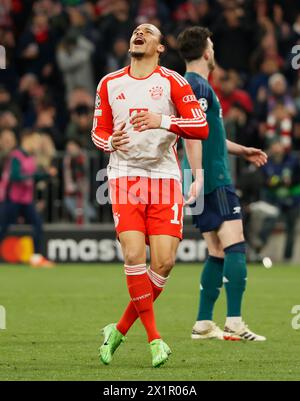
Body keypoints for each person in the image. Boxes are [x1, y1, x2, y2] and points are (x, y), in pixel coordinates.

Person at [91, 23, 209, 367]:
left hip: (163, 174)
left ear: (161, 47)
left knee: (164, 262)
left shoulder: (173, 82)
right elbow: (98, 130)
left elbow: (199, 126)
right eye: (135, 31)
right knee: (133, 255)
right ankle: (155, 340)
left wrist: (162, 120)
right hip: (125, 174)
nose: (138, 33)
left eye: (148, 31)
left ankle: (118, 329)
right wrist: (109, 141)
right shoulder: (110, 83)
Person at [177, 26, 268, 341]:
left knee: (216, 249)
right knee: (235, 243)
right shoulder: (198, 87)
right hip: (210, 175)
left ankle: (203, 323)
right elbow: (192, 133)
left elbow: (205, 132)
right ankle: (234, 321)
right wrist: (203, 174)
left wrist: (241, 150)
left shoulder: (188, 86)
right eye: (212, 46)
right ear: (205, 52)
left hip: (196, 175)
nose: (213, 51)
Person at [0, 130, 56, 268]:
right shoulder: (16, 156)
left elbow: (33, 177)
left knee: (37, 224)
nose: (37, 145)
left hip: (25, 200)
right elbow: (15, 176)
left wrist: (46, 175)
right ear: (28, 140)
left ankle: (36, 257)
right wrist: (34, 176)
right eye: (36, 141)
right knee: (2, 228)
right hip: (12, 199)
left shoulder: (31, 158)